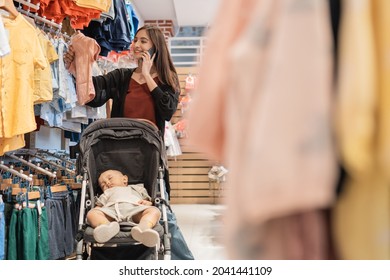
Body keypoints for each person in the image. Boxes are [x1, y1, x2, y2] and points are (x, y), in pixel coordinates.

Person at [64, 25, 194, 260]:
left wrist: (146, 76)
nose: (136, 45)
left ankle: (186, 263)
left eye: (143, 41)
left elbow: (166, 110)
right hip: (117, 154)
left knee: (163, 213)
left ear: (156, 47)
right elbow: (96, 94)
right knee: (118, 211)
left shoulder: (168, 80)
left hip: (147, 157)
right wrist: (76, 67)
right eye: (135, 40)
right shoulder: (121, 77)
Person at [87, 169, 161, 247]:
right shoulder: (106, 193)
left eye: (110, 178)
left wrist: (147, 203)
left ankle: (144, 227)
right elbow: (99, 207)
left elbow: (147, 200)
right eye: (103, 185)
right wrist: (95, 213)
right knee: (92, 213)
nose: (107, 183)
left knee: (154, 211)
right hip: (112, 213)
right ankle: (106, 226)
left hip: (135, 209)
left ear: (124, 179)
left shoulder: (137, 188)